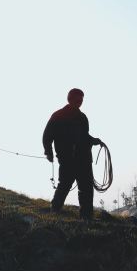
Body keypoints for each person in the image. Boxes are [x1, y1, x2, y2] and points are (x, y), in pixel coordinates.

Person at [42, 88, 103, 220]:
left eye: (81, 99)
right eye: (77, 99)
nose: (80, 101)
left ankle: (86, 217)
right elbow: (47, 136)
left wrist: (93, 140)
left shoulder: (82, 117)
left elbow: (84, 136)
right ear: (70, 99)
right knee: (65, 184)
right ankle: (55, 210)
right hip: (68, 159)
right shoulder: (58, 116)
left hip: (83, 158)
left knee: (85, 187)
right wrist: (48, 152)